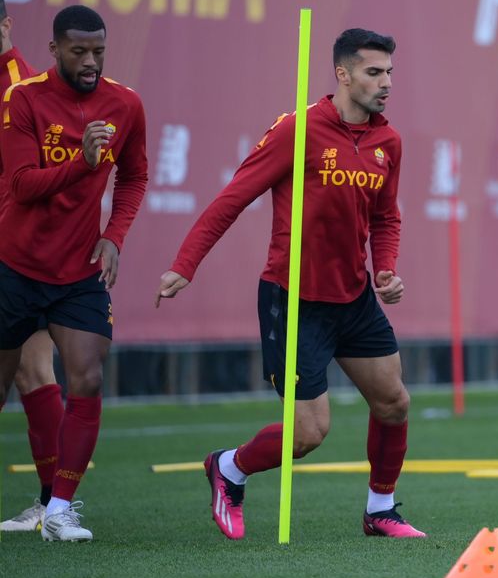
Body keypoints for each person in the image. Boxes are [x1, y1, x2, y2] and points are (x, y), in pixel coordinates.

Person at [156, 28, 424, 541]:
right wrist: (184, 265)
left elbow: (387, 217)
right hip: (293, 299)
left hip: (355, 296)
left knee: (394, 402)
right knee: (308, 434)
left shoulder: (388, 141)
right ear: (343, 74)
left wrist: (385, 267)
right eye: (374, 72)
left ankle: (381, 509)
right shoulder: (295, 130)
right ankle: (229, 468)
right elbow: (232, 198)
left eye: (389, 72)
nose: (386, 82)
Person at [0, 5, 149, 542]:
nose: (90, 62)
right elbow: (20, 185)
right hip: (15, 265)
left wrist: (114, 237)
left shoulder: (125, 104)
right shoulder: (24, 98)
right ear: (54, 49)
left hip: (79, 271)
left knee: (86, 376)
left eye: (99, 52)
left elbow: (134, 177)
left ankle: (58, 509)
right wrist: (83, 164)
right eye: (79, 52)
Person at [0, 0, 65, 534]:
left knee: (32, 367)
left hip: (19, 252)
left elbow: (36, 180)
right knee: (29, 369)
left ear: (5, 24)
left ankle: (53, 505)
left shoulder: (23, 88)